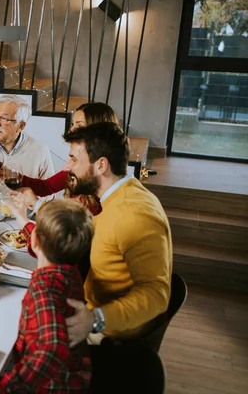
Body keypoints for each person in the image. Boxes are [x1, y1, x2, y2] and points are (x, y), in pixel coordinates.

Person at [12, 121, 173, 344]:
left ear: (100, 166)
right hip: (86, 306)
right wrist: (24, 221)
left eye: (74, 159)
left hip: (107, 337)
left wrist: (95, 319)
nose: (67, 167)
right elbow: (71, 241)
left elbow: (157, 295)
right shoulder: (112, 199)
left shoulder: (134, 214)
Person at [0, 199, 93, 394]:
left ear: (34, 241)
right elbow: (47, 241)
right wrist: (22, 218)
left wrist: (0, 388)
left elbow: (52, 349)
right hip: (75, 373)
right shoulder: (71, 268)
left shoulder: (44, 288)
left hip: (51, 387)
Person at [10, 102, 119, 216]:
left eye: (79, 126)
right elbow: (47, 187)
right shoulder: (77, 163)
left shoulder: (102, 176)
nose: (71, 131)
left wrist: (37, 204)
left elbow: (73, 226)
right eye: (72, 124)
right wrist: (12, 176)